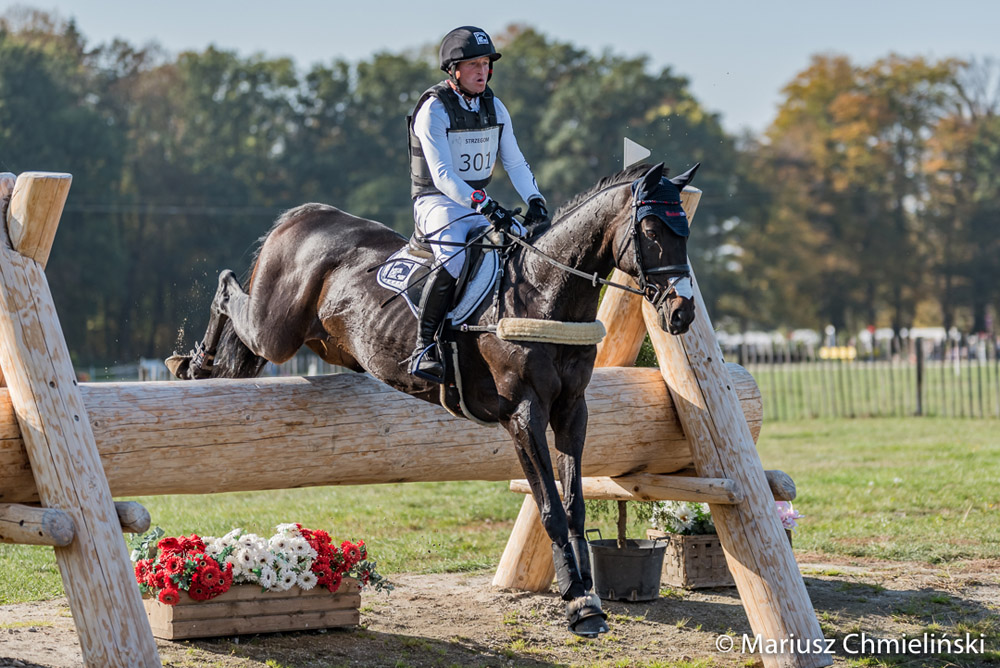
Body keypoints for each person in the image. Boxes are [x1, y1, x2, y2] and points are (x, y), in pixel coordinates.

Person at [407, 26, 549, 383]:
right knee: (454, 259)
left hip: (474, 202)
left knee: (521, 243)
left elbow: (515, 162)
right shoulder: (434, 109)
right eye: (473, 64)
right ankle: (424, 346)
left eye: (486, 63)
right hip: (436, 201)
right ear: (454, 70)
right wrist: (485, 205)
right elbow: (442, 175)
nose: (482, 71)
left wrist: (535, 199)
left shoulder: (494, 106)